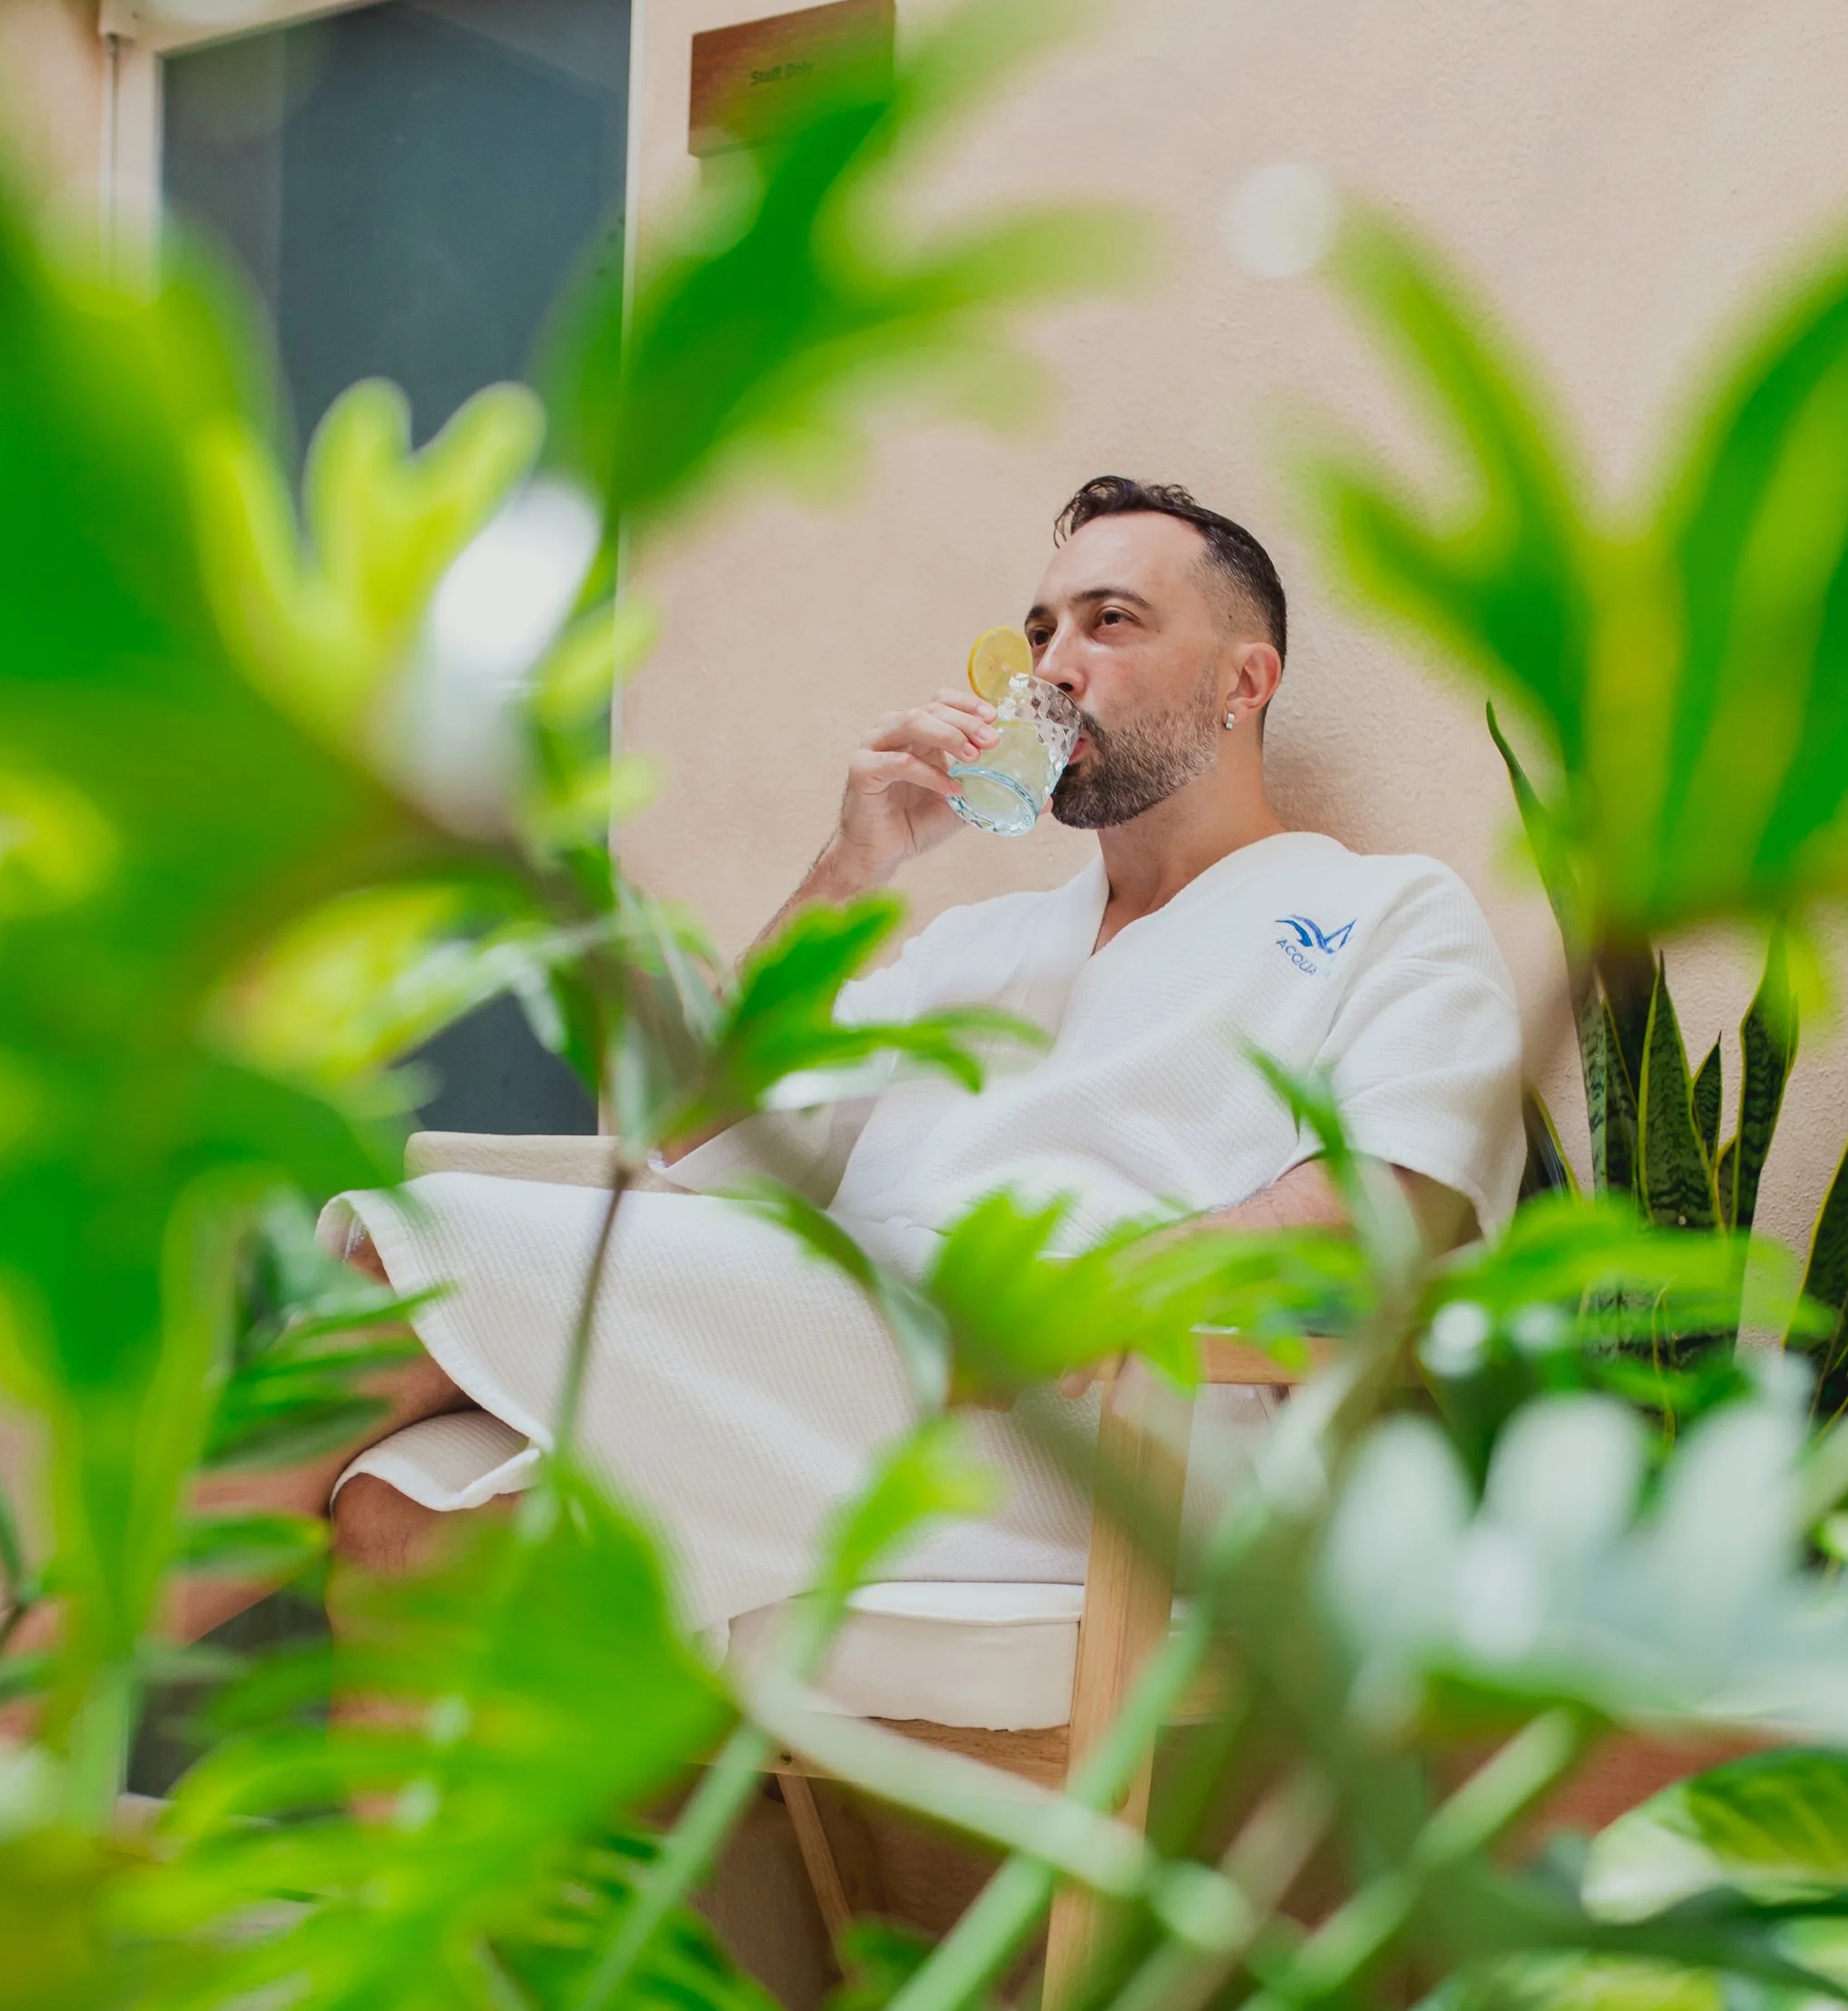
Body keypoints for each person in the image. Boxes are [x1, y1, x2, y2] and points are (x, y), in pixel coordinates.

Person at [264, 475, 1525, 1642]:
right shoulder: (974, 947)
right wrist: (849, 865)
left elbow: (1383, 1205)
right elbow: (685, 1140)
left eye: (1112, 621)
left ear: (1246, 681)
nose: (1057, 666)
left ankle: (60, 1697)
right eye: (1040, 633)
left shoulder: (1385, 912)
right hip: (835, 1380)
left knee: (412, 1251)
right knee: (402, 1511)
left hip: (1105, 1429)